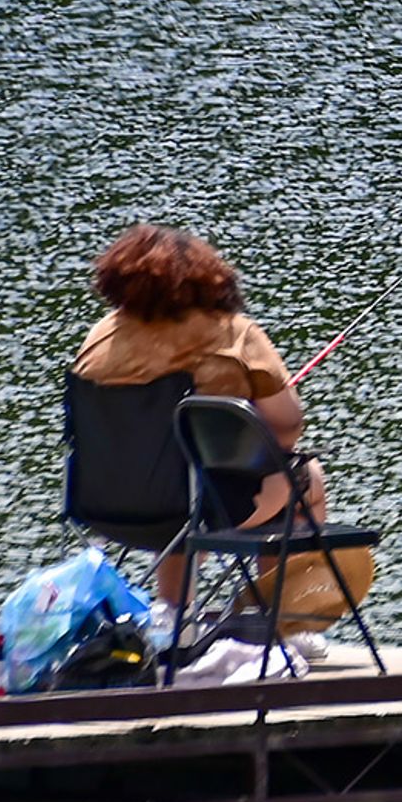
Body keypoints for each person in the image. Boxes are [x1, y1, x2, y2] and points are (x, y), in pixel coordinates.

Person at [70, 222, 326, 598]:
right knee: (307, 479)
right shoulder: (232, 332)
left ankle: (174, 614)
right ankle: (281, 620)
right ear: (209, 278)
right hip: (205, 508)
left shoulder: (99, 336)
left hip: (102, 506)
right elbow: (287, 429)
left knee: (178, 479)